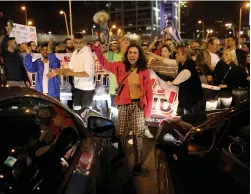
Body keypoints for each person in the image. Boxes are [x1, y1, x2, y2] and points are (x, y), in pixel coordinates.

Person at [93, 41, 153, 175]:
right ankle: (121, 154)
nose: (132, 55)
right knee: (121, 132)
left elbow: (149, 91)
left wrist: (147, 111)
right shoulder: (120, 66)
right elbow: (104, 63)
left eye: (135, 53)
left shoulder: (144, 71)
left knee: (138, 134)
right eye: (130, 52)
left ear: (139, 55)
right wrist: (97, 49)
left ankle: (137, 163)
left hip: (138, 105)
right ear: (127, 54)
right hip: (123, 105)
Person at [48, 32, 95, 110]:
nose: (78, 45)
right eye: (76, 43)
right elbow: (70, 68)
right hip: (77, 87)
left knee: (85, 115)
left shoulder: (87, 53)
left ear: (84, 42)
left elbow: (87, 74)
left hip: (87, 89)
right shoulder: (74, 53)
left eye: (80, 42)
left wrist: (67, 72)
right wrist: (57, 72)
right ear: (73, 42)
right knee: (76, 112)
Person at [168, 45, 205, 115]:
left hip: (194, 101)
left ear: (184, 55)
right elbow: (165, 61)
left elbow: (176, 82)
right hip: (189, 100)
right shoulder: (182, 64)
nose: (176, 55)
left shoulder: (188, 67)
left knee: (196, 122)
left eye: (178, 53)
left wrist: (169, 83)